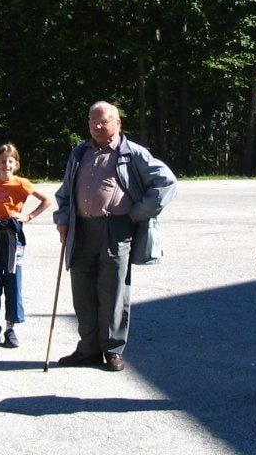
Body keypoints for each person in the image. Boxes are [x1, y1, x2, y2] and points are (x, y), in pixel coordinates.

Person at [53, 101, 177, 371]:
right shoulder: (79, 153)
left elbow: (167, 183)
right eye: (92, 122)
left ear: (118, 123)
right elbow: (64, 193)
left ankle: (112, 350)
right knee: (82, 291)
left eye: (103, 121)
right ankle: (88, 349)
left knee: (113, 291)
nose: (97, 126)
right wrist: (63, 219)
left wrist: (137, 212)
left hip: (116, 229)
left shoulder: (132, 153)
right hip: (81, 229)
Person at [0, 143, 51, 348]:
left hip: (12, 236)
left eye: (10, 161)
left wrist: (28, 216)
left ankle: (10, 328)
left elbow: (46, 200)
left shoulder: (22, 184)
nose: (6, 165)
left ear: (16, 164)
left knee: (13, 281)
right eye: (2, 162)